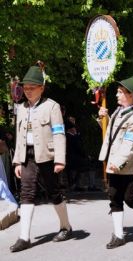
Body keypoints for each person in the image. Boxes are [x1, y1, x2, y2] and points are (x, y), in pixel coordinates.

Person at [10, 62, 73, 252]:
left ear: (41, 88)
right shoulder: (21, 108)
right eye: (25, 88)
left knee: (54, 193)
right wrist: (17, 161)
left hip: (47, 156)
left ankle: (65, 226)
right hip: (27, 156)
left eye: (31, 88)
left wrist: (60, 159)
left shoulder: (51, 106)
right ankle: (24, 237)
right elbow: (19, 136)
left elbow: (59, 133)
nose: (27, 91)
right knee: (26, 193)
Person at [98, 76, 133, 249]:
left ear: (131, 95)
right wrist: (102, 119)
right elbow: (111, 136)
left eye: (121, 92)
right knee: (114, 197)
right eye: (118, 91)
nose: (117, 94)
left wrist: (119, 163)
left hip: (126, 165)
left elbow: (129, 143)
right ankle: (119, 235)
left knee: (129, 198)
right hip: (113, 161)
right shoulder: (117, 111)